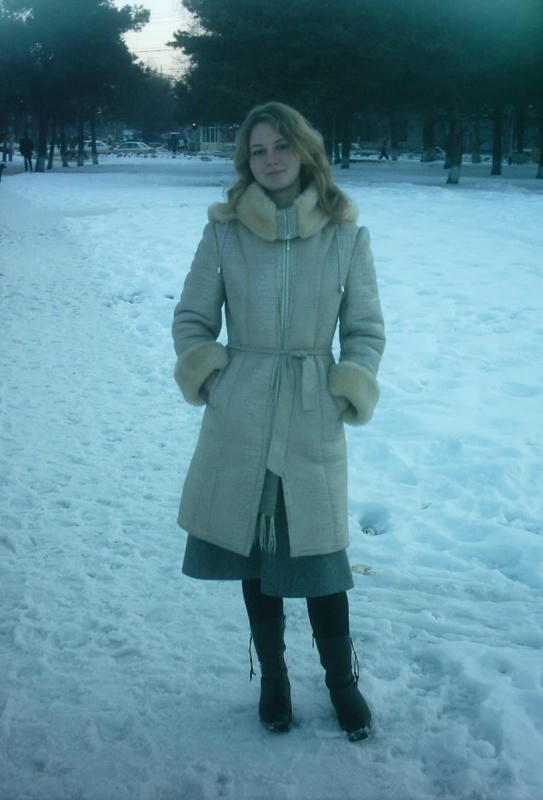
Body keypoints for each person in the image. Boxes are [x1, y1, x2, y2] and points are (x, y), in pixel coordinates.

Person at [172, 101, 385, 741]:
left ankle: (342, 683)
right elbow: (191, 321)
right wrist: (214, 379)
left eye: (281, 146)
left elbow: (366, 330)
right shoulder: (224, 233)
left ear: (305, 151)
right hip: (241, 415)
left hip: (312, 412)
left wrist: (346, 389)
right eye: (258, 150)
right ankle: (273, 678)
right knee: (255, 557)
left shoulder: (346, 235)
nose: (270, 160)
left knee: (321, 559)